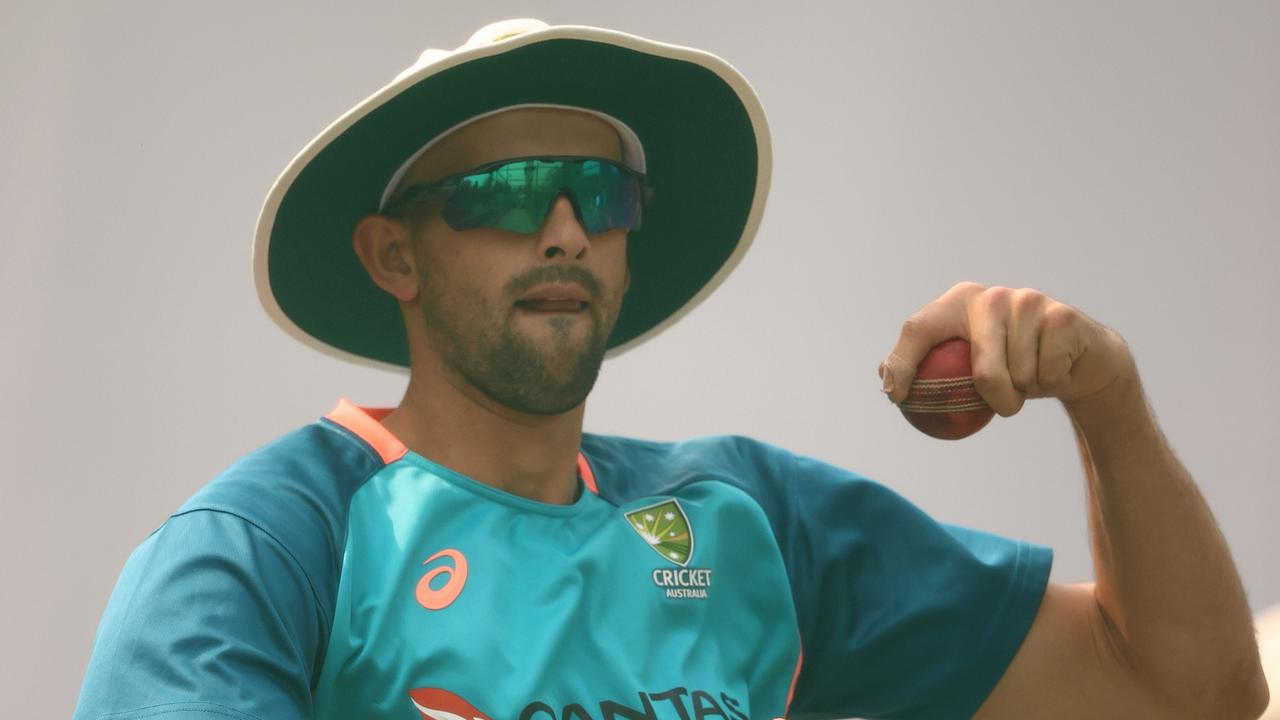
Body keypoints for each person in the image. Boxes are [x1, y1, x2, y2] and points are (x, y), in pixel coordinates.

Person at [73, 19, 1267, 720]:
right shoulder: (264, 544)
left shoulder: (747, 521)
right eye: (499, 195)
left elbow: (1185, 691)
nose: (560, 230)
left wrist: (1101, 394)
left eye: (600, 194)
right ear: (394, 255)